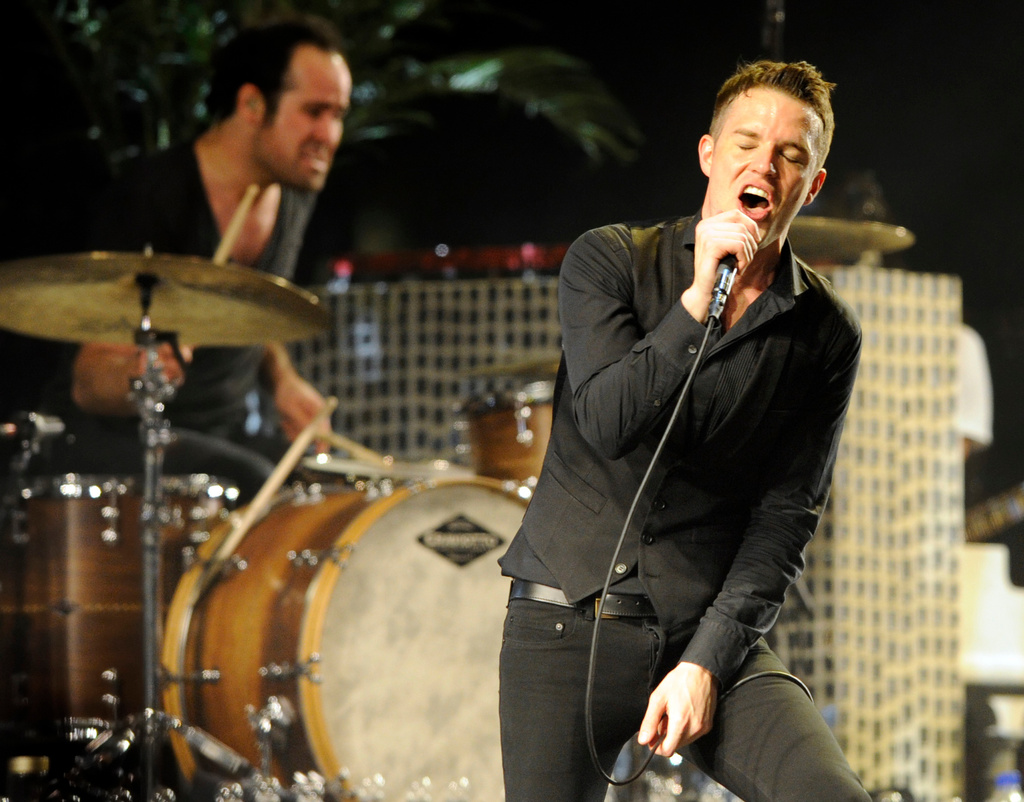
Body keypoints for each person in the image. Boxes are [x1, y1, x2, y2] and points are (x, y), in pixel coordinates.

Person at [498, 60, 871, 802]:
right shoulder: (608, 260)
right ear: (709, 154)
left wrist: (705, 661)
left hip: (703, 636)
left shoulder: (824, 332)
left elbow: (785, 518)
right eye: (746, 142)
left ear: (811, 185)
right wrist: (698, 299)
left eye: (791, 155)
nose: (764, 162)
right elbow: (608, 420)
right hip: (568, 623)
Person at [39, 15, 352, 500]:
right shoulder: (153, 197)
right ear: (251, 103)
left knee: (337, 490)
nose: (330, 135)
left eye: (339, 115)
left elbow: (242, 308)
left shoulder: (291, 191)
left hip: (221, 434)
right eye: (315, 111)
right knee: (255, 480)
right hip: (114, 439)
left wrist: (284, 382)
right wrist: (134, 376)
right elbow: (88, 383)